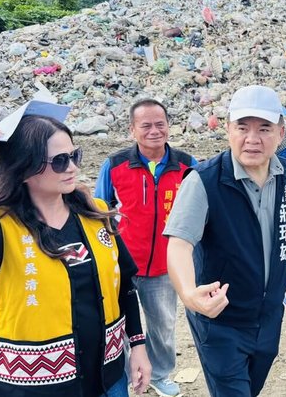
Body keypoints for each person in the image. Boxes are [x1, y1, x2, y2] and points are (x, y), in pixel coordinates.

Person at [0, 115, 151, 396]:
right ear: (25, 168)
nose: (72, 168)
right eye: (59, 161)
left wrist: (138, 345)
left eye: (74, 155)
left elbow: (125, 287)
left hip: (109, 377)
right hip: (35, 388)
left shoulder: (95, 214)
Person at [163, 85, 286, 396]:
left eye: (264, 129)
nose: (252, 139)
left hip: (268, 316)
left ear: (281, 131)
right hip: (221, 320)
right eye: (242, 128)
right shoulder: (204, 181)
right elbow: (179, 244)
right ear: (228, 129)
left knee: (251, 388)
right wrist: (190, 295)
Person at [95, 99, 196, 397]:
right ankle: (129, 374)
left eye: (160, 124)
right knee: (120, 324)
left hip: (166, 266)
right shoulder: (114, 165)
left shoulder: (188, 165)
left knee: (163, 325)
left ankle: (161, 373)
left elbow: (202, 210)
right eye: (146, 126)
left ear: (168, 126)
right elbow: (100, 210)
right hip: (123, 264)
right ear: (132, 130)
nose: (154, 131)